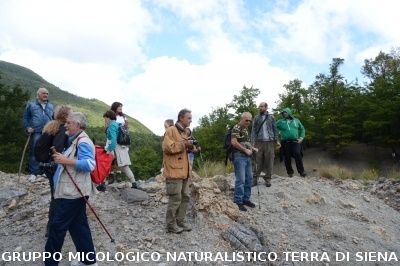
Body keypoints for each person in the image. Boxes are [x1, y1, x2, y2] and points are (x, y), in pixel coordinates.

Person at [44, 112, 98, 266]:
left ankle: (50, 263)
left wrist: (65, 160)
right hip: (74, 191)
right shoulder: (75, 140)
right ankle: (88, 262)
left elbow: (89, 164)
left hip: (74, 193)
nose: (65, 125)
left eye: (68, 123)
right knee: (78, 227)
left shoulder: (83, 142)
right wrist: (63, 157)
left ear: (77, 125)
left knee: (56, 227)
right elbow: (75, 161)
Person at [41, 105, 73, 237]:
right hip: (55, 166)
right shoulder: (61, 129)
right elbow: (58, 147)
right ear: (66, 116)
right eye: (71, 113)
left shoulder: (51, 126)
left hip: (47, 165)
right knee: (58, 196)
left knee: (56, 195)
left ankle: (54, 225)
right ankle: (53, 227)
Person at [162, 108, 194, 234]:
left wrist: (190, 146)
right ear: (181, 118)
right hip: (174, 171)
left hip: (184, 172)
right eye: (189, 118)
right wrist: (184, 144)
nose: (190, 120)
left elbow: (183, 148)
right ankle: (171, 225)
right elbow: (167, 147)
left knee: (185, 197)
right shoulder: (171, 130)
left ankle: (180, 221)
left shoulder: (184, 132)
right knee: (175, 198)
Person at [22, 87, 54, 181]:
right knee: (35, 151)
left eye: (47, 94)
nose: (46, 95)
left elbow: (54, 119)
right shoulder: (31, 105)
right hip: (36, 131)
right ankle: (33, 173)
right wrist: (28, 127)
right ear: (38, 94)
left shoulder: (51, 106)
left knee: (48, 151)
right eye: (44, 93)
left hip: (48, 132)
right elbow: (25, 118)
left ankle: (45, 171)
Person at [102, 110, 137, 189]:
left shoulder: (112, 126)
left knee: (106, 164)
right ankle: (134, 183)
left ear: (108, 118)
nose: (105, 120)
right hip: (122, 147)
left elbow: (113, 139)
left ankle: (102, 184)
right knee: (125, 166)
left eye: (105, 118)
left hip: (115, 148)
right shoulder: (118, 125)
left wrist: (110, 150)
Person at [231, 112, 258, 212]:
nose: (248, 122)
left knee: (249, 178)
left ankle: (246, 199)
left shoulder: (246, 129)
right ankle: (238, 201)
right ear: (241, 118)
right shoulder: (236, 127)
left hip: (247, 156)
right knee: (241, 179)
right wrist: (245, 150)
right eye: (246, 120)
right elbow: (234, 142)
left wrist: (253, 148)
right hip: (239, 156)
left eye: (250, 121)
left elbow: (246, 142)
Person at [251, 102, 280, 187]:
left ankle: (268, 179)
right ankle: (255, 178)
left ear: (266, 107)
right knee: (257, 160)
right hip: (259, 142)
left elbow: (275, 130)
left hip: (269, 142)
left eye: (262, 106)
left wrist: (277, 140)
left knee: (269, 161)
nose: (260, 108)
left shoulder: (271, 118)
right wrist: (253, 141)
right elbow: (254, 130)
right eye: (259, 106)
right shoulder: (256, 118)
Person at [276, 107, 307, 178]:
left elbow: (302, 129)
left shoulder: (296, 121)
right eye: (283, 113)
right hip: (285, 142)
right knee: (287, 157)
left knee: (297, 154)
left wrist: (301, 138)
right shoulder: (280, 122)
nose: (284, 114)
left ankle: (301, 171)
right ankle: (290, 173)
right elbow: (273, 129)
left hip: (295, 141)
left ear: (289, 112)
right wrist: (277, 139)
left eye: (286, 112)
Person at [108, 102, 129, 182]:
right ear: (115, 107)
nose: (120, 108)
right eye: (119, 106)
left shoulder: (123, 116)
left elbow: (126, 129)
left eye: (121, 107)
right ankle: (111, 174)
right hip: (113, 137)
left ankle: (119, 174)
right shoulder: (110, 116)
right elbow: (106, 127)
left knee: (120, 157)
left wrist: (126, 124)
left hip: (121, 139)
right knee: (112, 157)